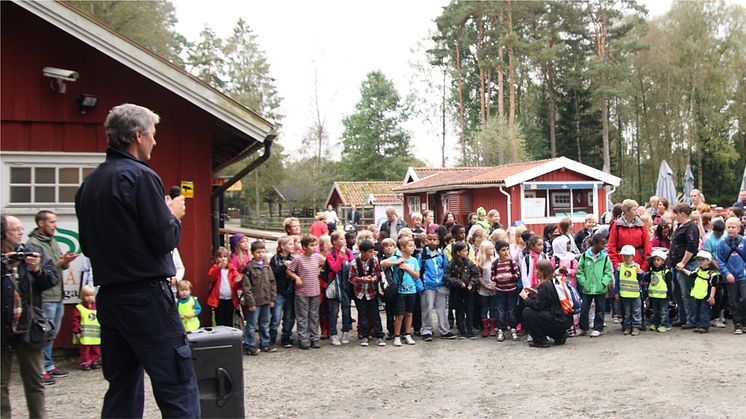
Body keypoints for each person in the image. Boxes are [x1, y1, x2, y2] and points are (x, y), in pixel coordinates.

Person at [74, 103, 199, 417]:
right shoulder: (142, 177)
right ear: (138, 135)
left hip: (111, 299)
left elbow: (87, 247)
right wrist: (172, 216)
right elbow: (165, 239)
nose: (155, 142)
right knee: (177, 385)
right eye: (153, 134)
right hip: (147, 298)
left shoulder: (88, 186)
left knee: (122, 388)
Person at [1, 214, 59, 418]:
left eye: (20, 228)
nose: (20, 231)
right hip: (2, 328)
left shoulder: (32, 252)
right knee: (0, 385)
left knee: (34, 382)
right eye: (15, 229)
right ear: (3, 233)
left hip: (28, 326)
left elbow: (53, 279)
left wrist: (37, 270)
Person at [26, 210, 78, 383]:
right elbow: (41, 271)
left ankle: (48, 365)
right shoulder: (33, 244)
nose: (55, 225)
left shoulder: (53, 241)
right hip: (45, 295)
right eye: (51, 222)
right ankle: (39, 369)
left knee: (52, 332)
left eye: (55, 222)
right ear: (41, 223)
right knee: (42, 332)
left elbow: (54, 266)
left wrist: (64, 263)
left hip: (58, 293)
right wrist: (60, 264)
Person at [520, 260, 572, 348]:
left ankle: (540, 340)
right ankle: (559, 336)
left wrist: (526, 298)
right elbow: (548, 301)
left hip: (557, 320)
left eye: (537, 269)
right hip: (563, 319)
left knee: (528, 312)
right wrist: (535, 294)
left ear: (543, 272)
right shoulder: (554, 281)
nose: (535, 271)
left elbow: (538, 305)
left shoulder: (545, 286)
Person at [381, 237, 422, 346]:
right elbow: (382, 263)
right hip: (399, 291)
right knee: (399, 315)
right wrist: (396, 262)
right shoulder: (396, 257)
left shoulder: (413, 260)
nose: (412, 248)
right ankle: (397, 335)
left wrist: (407, 268)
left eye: (413, 246)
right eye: (410, 246)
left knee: (409, 313)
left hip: (411, 290)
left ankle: (408, 334)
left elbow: (417, 275)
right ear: (402, 248)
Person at [287, 235, 324, 349]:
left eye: (315, 245)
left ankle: (314, 338)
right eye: (311, 245)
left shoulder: (317, 257)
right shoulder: (298, 259)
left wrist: (318, 271)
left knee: (314, 315)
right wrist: (297, 278)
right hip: (302, 292)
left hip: (315, 290)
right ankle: (303, 338)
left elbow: (322, 264)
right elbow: (289, 270)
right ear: (304, 247)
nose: (314, 248)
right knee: (302, 316)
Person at [241, 241, 276, 355]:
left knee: (265, 323)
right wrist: (250, 303)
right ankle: (249, 345)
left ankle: (265, 343)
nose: (260, 254)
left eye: (262, 252)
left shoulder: (267, 266)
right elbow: (247, 287)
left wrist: (272, 299)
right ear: (252, 253)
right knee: (251, 325)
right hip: (255, 302)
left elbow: (272, 283)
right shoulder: (249, 268)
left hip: (266, 300)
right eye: (258, 252)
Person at [669, 203, 700, 329]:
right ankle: (682, 317)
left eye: (676, 213)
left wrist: (683, 262)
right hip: (675, 265)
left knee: (686, 293)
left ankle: (691, 319)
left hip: (686, 265)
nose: (674, 216)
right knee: (677, 293)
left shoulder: (691, 227)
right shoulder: (679, 226)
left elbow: (692, 246)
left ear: (682, 213)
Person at [349, 240, 385, 347]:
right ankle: (364, 335)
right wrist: (362, 279)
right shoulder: (354, 263)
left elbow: (378, 274)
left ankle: (379, 335)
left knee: (375, 314)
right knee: (362, 315)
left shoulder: (374, 260)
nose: (371, 254)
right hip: (359, 293)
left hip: (371, 292)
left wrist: (372, 279)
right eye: (369, 252)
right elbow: (351, 278)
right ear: (362, 252)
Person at [576, 234, 612, 337]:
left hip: (600, 288)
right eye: (601, 243)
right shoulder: (584, 256)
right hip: (587, 288)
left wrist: (603, 283)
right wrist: (584, 282)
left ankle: (598, 328)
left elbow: (608, 272)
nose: (603, 246)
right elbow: (580, 271)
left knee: (600, 309)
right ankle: (583, 327)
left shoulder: (605, 257)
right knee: (584, 309)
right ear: (595, 243)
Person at [418, 233, 453, 340]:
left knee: (441, 309)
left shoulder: (441, 254)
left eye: (435, 239)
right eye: (430, 239)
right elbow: (418, 271)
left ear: (438, 242)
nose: (432, 241)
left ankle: (444, 330)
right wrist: (420, 286)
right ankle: (426, 330)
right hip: (427, 286)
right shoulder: (422, 255)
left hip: (441, 285)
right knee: (426, 308)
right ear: (426, 241)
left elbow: (446, 269)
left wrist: (446, 282)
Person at [715, 217, 746, 334]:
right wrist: (726, 273)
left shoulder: (744, 241)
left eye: (733, 227)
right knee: (733, 300)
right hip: (730, 276)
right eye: (728, 227)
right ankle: (737, 323)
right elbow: (720, 260)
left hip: (743, 275)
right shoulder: (722, 243)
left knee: (744, 298)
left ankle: (744, 320)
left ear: (739, 228)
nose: (731, 229)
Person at [444, 242, 480, 339]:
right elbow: (447, 277)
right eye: (464, 250)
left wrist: (471, 283)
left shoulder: (469, 263)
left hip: (468, 291)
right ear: (458, 252)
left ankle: (469, 329)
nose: (467, 252)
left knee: (469, 310)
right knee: (459, 311)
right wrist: (458, 282)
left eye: (467, 250)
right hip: (457, 291)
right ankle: (462, 330)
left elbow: (476, 274)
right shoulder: (451, 264)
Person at [678, 250, 720, 333]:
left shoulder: (712, 274)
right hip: (697, 295)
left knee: (704, 311)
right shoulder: (698, 270)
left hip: (706, 296)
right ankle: (698, 324)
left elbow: (713, 286)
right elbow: (691, 274)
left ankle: (704, 326)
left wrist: (712, 297)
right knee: (696, 310)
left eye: (702, 260)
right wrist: (682, 269)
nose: (700, 262)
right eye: (699, 260)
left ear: (708, 261)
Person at [325, 231, 354, 346]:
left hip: (346, 284)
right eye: (341, 239)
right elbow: (335, 269)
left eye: (344, 238)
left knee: (346, 309)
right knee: (334, 310)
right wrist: (341, 256)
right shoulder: (330, 254)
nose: (344, 241)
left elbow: (353, 266)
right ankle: (333, 334)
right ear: (334, 242)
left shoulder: (349, 251)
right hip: (335, 285)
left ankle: (345, 332)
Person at [270, 236, 296, 348]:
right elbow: (273, 273)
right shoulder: (275, 259)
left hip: (290, 290)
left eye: (292, 244)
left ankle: (286, 336)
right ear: (282, 246)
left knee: (289, 316)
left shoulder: (294, 258)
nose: (292, 246)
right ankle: (271, 338)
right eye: (290, 244)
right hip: (279, 291)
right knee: (276, 316)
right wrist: (283, 267)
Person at [491, 240, 520, 342]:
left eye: (507, 249)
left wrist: (510, 276)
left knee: (512, 310)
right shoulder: (495, 264)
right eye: (503, 250)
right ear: (498, 252)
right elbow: (492, 277)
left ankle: (513, 328)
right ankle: (501, 329)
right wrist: (497, 278)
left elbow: (517, 275)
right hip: (500, 291)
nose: (506, 252)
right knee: (500, 310)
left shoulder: (512, 262)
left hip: (511, 290)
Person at [207, 246, 241, 328]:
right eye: (220, 257)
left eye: (225, 257)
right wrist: (219, 268)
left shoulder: (231, 268)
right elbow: (211, 277)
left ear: (228, 258)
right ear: (217, 258)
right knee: (219, 320)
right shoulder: (215, 268)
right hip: (219, 299)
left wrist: (238, 279)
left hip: (230, 299)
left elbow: (237, 279)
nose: (223, 259)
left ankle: (228, 338)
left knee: (229, 320)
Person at [615, 245, 644, 336]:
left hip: (635, 293)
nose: (626, 258)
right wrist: (616, 291)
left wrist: (641, 273)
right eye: (624, 256)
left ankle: (636, 326)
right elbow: (617, 280)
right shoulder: (620, 267)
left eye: (628, 256)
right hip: (624, 293)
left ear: (633, 256)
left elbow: (640, 279)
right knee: (627, 312)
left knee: (636, 311)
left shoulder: (636, 266)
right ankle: (627, 326)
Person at [72, 285, 101, 371]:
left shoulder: (97, 307)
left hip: (95, 335)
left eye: (91, 295)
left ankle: (94, 361)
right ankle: (85, 362)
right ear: (82, 296)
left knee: (96, 349)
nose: (89, 297)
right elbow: (75, 321)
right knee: (85, 350)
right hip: (84, 335)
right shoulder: (79, 308)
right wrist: (77, 332)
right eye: (87, 295)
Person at [644, 249, 672, 333]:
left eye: (658, 260)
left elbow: (669, 284)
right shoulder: (651, 271)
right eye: (654, 260)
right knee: (654, 311)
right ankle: (655, 323)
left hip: (663, 295)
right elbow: (648, 281)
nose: (656, 262)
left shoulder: (666, 272)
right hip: (653, 295)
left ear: (663, 261)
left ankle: (665, 324)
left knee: (664, 311)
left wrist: (670, 295)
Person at [476, 240, 497, 337]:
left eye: (493, 248)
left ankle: (492, 327)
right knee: (484, 308)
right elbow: (479, 275)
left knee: (493, 307)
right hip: (483, 288)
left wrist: (495, 285)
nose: (492, 250)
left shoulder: (495, 260)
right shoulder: (480, 261)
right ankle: (485, 327)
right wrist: (484, 285)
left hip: (493, 287)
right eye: (490, 249)